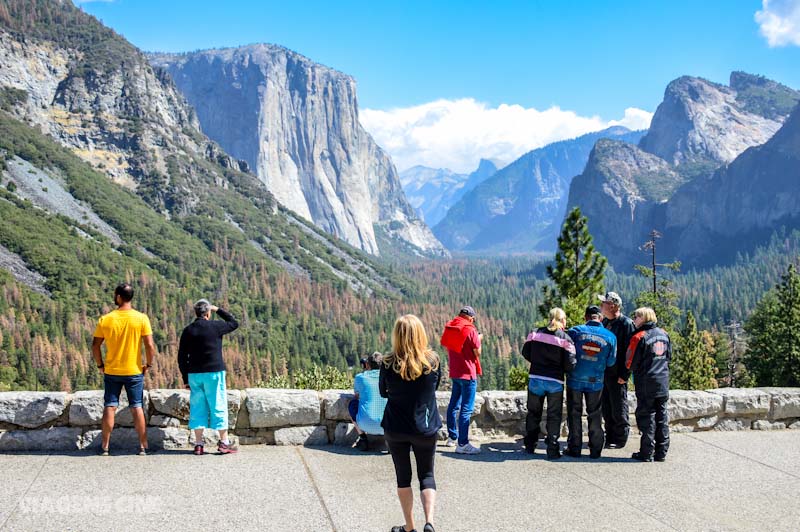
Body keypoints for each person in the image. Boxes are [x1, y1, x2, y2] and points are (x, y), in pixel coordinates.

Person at [380, 315, 441, 532]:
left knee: (403, 477)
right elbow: (434, 388)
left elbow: (382, 392)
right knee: (427, 475)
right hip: (424, 426)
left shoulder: (387, 363)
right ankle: (429, 523)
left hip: (396, 427)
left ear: (397, 336)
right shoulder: (433, 362)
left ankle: (409, 527)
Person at [92, 282, 157, 456]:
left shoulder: (106, 319)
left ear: (119, 297)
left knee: (110, 406)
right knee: (136, 407)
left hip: (112, 370)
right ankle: (143, 446)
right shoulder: (141, 318)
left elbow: (95, 346)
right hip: (134, 370)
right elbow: (150, 345)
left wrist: (100, 365)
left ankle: (105, 446)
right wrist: (148, 364)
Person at [178, 299, 239, 455]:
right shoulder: (215, 327)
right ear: (208, 313)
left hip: (194, 374)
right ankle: (224, 443)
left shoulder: (188, 330)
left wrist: (185, 378)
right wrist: (218, 308)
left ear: (195, 313)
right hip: (214, 373)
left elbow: (181, 357)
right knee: (218, 404)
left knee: (198, 407)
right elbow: (233, 322)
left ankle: (198, 444)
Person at [520, 308, 577, 459]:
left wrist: (537, 362)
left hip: (536, 378)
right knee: (554, 415)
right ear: (562, 320)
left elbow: (525, 352)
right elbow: (571, 363)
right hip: (555, 381)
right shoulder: (566, 339)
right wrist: (560, 369)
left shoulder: (535, 333)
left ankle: (530, 445)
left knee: (533, 413)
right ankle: (552, 449)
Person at [565, 305, 617, 459]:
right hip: (596, 381)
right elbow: (611, 362)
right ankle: (595, 450)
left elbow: (567, 353)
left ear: (586, 317)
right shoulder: (610, 336)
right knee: (595, 414)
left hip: (575, 378)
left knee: (574, 413)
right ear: (600, 318)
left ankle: (575, 448)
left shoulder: (575, 332)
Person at [626, 307, 672, 462]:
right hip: (663, 381)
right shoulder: (664, 334)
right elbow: (669, 357)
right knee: (662, 416)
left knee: (647, 417)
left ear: (644, 318)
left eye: (637, 316)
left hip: (646, 381)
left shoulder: (639, 337)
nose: (634, 319)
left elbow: (629, 362)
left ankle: (646, 452)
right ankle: (661, 452)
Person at [440, 305, 482, 455]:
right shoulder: (470, 329)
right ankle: (463, 443)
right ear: (470, 317)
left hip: (455, 371)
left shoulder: (452, 327)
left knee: (453, 405)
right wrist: (479, 338)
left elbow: (449, 346)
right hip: (468, 373)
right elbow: (477, 353)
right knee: (466, 409)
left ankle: (452, 437)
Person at [598, 291, 635, 449]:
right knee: (606, 406)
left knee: (618, 405)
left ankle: (620, 437)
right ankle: (610, 435)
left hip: (618, 373)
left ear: (613, 306)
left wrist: (625, 374)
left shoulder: (626, 324)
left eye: (604, 303)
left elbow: (630, 351)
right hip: (604, 372)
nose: (601, 306)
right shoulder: (605, 322)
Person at [348, 351, 388, 451]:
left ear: (367, 364)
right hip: (388, 426)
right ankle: (390, 441)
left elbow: (356, 396)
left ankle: (362, 438)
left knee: (352, 404)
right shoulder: (389, 378)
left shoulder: (360, 378)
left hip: (365, 424)